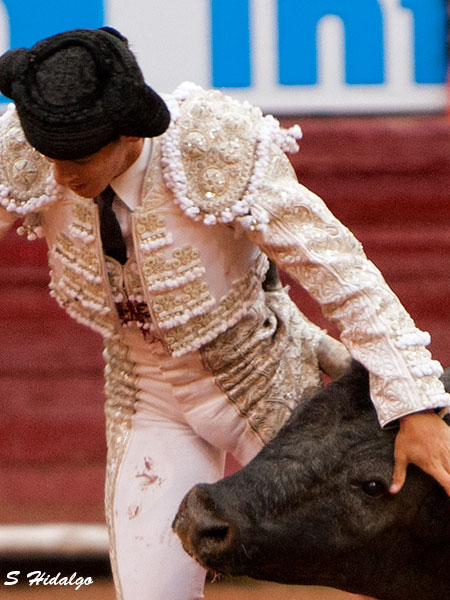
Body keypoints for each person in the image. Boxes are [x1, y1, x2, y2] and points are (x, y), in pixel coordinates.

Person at [0, 27, 449, 600]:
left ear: (133, 131)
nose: (61, 177)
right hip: (145, 391)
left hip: (268, 377)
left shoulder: (213, 146)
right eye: (50, 156)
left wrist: (415, 403)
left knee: (388, 556)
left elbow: (341, 272)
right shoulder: (25, 147)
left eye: (81, 157)